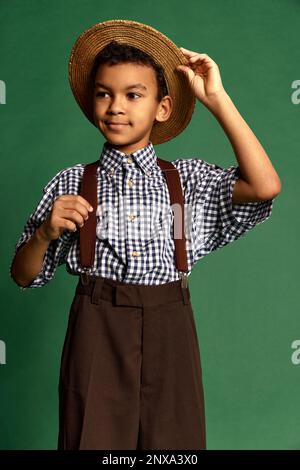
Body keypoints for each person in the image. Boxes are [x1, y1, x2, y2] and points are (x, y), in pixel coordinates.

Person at [10, 19, 281, 450]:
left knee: (176, 449)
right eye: (104, 94)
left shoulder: (186, 182)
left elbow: (265, 186)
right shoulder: (72, 184)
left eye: (133, 95)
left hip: (170, 325)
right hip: (96, 329)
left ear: (162, 108)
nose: (116, 106)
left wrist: (217, 99)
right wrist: (44, 234)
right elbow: (23, 276)